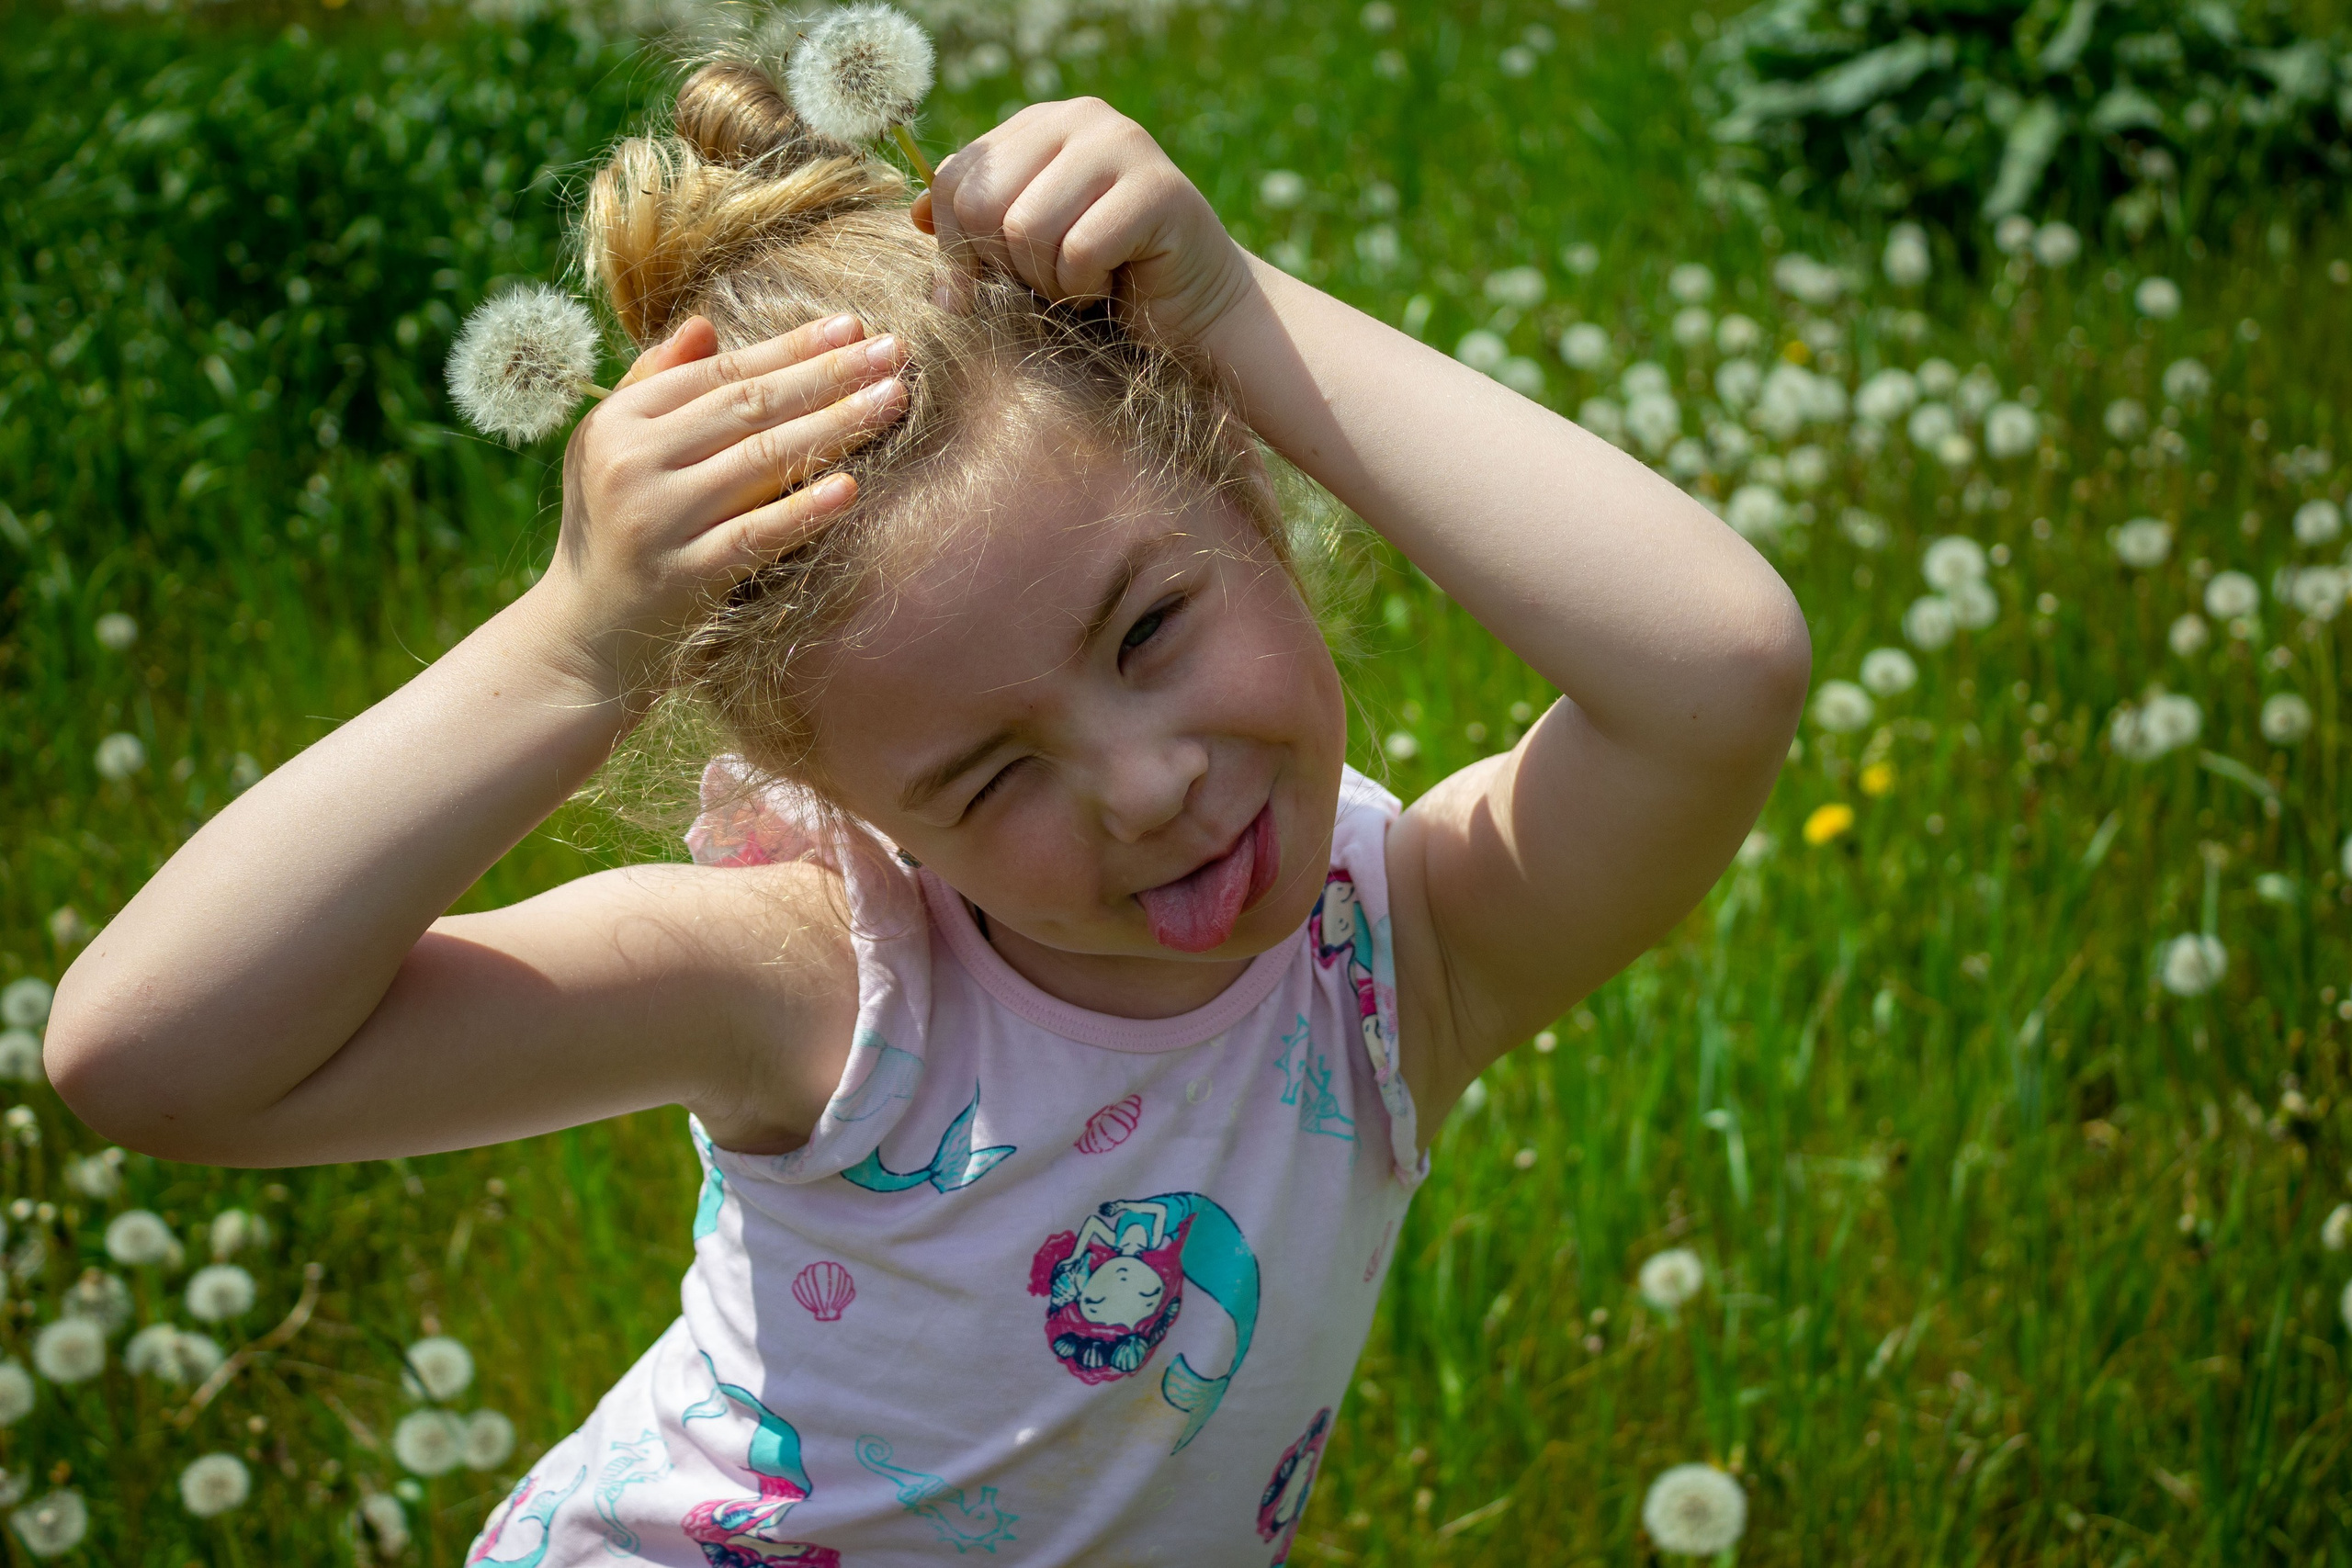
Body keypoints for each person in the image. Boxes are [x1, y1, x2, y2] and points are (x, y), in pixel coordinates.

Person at [44, 40, 1808, 1565]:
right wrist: (573, 655)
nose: (1148, 787)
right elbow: (148, 1060)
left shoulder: (1397, 967)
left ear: (1255, 506)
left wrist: (1229, 309)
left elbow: (1716, 669)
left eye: (1151, 626)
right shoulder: (826, 984)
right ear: (840, 799)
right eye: (987, 773)